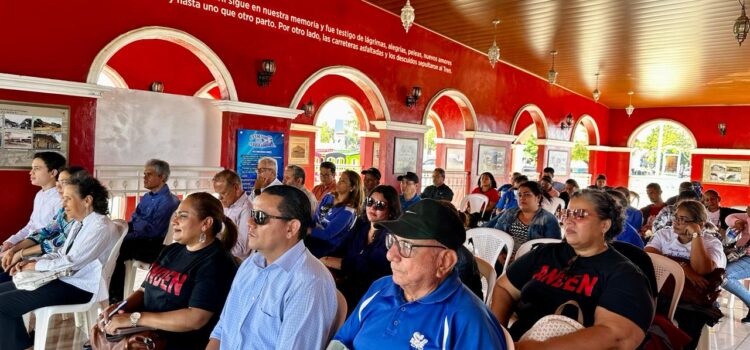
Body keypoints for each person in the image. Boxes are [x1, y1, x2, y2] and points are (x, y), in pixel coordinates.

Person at [332, 199, 508, 349]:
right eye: (392, 240)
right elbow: (341, 343)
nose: (390, 254)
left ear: (444, 261)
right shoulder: (381, 287)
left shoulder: (469, 321)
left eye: (406, 246)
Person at [491, 190, 654, 349]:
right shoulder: (545, 253)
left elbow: (615, 335)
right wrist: (498, 334)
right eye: (567, 214)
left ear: (604, 225)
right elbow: (504, 287)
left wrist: (542, 347)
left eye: (580, 214)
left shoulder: (622, 273)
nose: (568, 220)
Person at [98, 192, 238, 350]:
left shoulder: (216, 263)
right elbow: (144, 290)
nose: (174, 221)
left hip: (174, 341)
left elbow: (195, 318)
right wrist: (119, 307)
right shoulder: (172, 250)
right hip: (146, 331)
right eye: (176, 215)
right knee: (101, 331)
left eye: (183, 216)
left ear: (206, 223)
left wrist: (134, 318)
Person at [208, 186, 337, 350]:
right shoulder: (251, 264)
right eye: (252, 214)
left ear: (291, 228)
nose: (249, 222)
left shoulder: (309, 282)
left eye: (260, 217)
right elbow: (222, 330)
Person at [0, 175, 119, 350]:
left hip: (78, 287)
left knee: (2, 305)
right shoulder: (81, 223)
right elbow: (61, 253)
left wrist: (35, 266)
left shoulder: (100, 227)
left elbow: (72, 263)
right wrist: (32, 261)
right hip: (63, 280)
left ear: (87, 200)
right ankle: (19, 344)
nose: (63, 204)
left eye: (68, 199)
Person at [645, 200, 726, 350]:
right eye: (676, 217)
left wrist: (696, 235)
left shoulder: (711, 243)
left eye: (683, 219)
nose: (676, 222)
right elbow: (649, 256)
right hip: (661, 292)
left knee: (691, 322)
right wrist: (684, 268)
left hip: (693, 299)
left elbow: (702, 270)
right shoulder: (664, 235)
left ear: (700, 223)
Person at [109, 159, 180, 303]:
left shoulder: (168, 201)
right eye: (144, 174)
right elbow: (135, 219)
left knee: (118, 249)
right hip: (140, 238)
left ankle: (116, 298)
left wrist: (128, 232)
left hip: (154, 245)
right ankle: (110, 292)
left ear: (162, 177)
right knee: (111, 242)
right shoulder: (147, 197)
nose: (144, 177)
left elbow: (152, 231)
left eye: (149, 174)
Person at [1, 166, 88, 282]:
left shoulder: (81, 215)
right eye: (59, 182)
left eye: (64, 182)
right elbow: (43, 232)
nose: (58, 186)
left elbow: (57, 244)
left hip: (62, 273)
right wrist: (13, 250)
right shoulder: (63, 211)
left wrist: (20, 253)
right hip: (44, 259)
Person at [320, 185, 399, 309]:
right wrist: (327, 260)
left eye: (380, 205)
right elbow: (340, 248)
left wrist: (331, 261)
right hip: (347, 285)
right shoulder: (361, 226)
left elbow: (368, 267)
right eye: (370, 202)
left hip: (372, 294)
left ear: (391, 211)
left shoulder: (392, 236)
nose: (372, 207)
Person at [1, 151, 66, 256]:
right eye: (32, 168)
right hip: (26, 243)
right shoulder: (39, 195)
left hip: (40, 251)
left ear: (53, 173)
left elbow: (53, 235)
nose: (31, 172)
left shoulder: (61, 199)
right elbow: (31, 225)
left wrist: (16, 250)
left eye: (37, 168)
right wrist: (11, 241)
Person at [483, 181, 561, 257]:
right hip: (504, 258)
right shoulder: (510, 213)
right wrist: (500, 255)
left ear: (538, 197)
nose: (522, 198)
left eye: (527, 195)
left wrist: (520, 260)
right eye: (519, 195)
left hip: (532, 263)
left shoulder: (549, 220)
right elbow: (496, 235)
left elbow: (553, 250)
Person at [306, 170, 363, 257]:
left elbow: (327, 234)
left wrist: (307, 231)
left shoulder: (348, 211)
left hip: (328, 246)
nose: (339, 182)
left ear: (352, 187)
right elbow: (315, 217)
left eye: (343, 181)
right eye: (339, 179)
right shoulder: (329, 196)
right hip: (313, 237)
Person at [211, 169, 252, 260]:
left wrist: (211, 243)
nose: (220, 198)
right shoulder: (227, 203)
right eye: (218, 194)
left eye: (223, 193)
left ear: (236, 188)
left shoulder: (247, 209)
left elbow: (242, 249)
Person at [722, 206, 750, 323]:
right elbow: (728, 218)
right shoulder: (746, 216)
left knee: (724, 276)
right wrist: (737, 222)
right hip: (739, 255)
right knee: (712, 268)